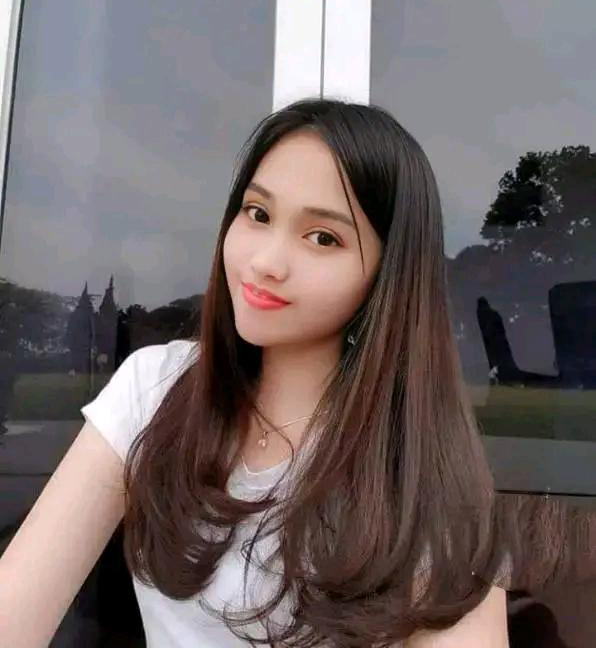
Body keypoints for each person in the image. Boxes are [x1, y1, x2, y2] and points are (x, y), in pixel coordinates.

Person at [0, 99, 513, 647]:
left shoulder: (417, 468)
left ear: (388, 275)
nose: (266, 261)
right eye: (258, 214)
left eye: (323, 237)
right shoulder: (153, 389)